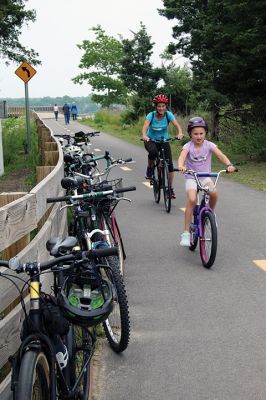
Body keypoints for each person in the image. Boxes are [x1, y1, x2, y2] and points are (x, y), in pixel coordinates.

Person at [178, 116, 236, 246]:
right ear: (190, 134)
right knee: (192, 200)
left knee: (214, 193)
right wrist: (181, 166)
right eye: (195, 134)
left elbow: (220, 155)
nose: (198, 136)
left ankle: (210, 212)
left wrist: (229, 164)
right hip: (191, 177)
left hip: (205, 177)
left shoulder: (209, 145)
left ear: (205, 133)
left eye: (201, 133)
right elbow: (181, 157)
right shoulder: (188, 146)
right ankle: (186, 233)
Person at [142, 94, 183, 199]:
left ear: (166, 107)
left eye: (163, 106)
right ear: (156, 107)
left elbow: (177, 125)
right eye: (159, 106)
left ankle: (170, 188)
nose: (161, 108)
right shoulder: (151, 115)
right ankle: (150, 168)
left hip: (164, 141)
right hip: (150, 140)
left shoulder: (168, 115)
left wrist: (180, 133)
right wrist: (144, 135)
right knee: (153, 152)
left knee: (170, 167)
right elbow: (145, 127)